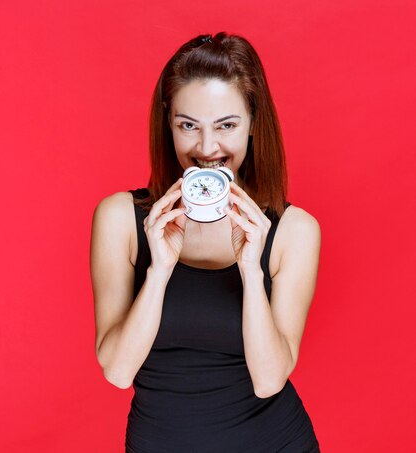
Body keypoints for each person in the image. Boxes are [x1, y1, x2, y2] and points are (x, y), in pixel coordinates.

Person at [90, 32, 321, 452]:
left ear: (253, 124)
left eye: (227, 125)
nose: (207, 147)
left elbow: (270, 379)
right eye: (188, 126)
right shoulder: (121, 219)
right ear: (169, 125)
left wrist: (251, 269)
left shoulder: (293, 231)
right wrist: (159, 270)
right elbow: (118, 371)